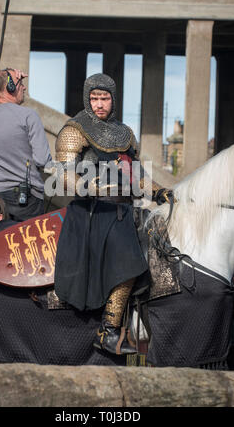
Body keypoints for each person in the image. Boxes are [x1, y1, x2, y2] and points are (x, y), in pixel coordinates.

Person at [54, 73, 170, 356]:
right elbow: (62, 175)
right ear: (87, 99)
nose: (99, 104)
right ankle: (108, 330)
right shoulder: (75, 130)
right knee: (129, 261)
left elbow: (136, 174)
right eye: (94, 98)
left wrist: (158, 191)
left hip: (123, 210)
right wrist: (90, 185)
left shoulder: (125, 134)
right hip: (91, 213)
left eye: (104, 98)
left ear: (113, 100)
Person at [0, 67, 52, 222]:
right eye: (21, 83)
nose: (24, 87)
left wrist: (9, 77)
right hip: (26, 200)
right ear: (11, 88)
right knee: (28, 244)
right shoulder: (29, 116)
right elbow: (42, 160)